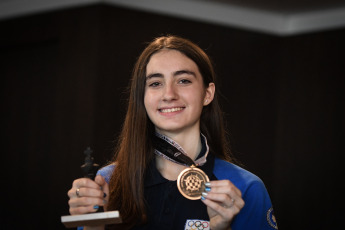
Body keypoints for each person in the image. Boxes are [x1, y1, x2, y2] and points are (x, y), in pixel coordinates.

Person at [67, 35, 278, 230]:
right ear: (142, 97)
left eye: (183, 80)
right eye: (156, 83)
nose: (169, 94)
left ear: (207, 93)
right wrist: (92, 225)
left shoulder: (245, 188)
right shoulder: (108, 183)